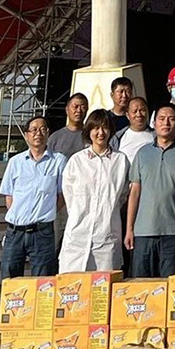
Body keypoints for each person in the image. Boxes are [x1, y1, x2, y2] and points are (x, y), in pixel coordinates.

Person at [125, 104, 175, 278]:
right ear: (154, 123)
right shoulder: (142, 153)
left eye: (172, 119)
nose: (166, 123)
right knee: (142, 285)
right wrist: (129, 229)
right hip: (143, 231)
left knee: (171, 284)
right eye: (162, 119)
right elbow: (134, 193)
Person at [59, 109, 130, 271]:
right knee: (73, 282)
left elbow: (123, 195)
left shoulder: (120, 160)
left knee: (104, 282)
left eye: (105, 128)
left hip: (106, 233)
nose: (100, 132)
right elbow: (69, 194)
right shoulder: (77, 160)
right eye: (96, 128)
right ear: (89, 130)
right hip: (78, 233)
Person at [0, 116, 65, 278]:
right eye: (34, 130)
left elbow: (61, 196)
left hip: (42, 232)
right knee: (10, 280)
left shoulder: (59, 161)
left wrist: (45, 212)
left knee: (43, 283)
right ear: (27, 134)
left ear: (48, 133)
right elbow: (9, 197)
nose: (38, 133)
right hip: (15, 232)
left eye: (42, 129)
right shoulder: (15, 162)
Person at [113, 96, 155, 164]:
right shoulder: (118, 138)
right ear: (127, 115)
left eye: (142, 110)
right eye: (134, 111)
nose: (139, 114)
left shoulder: (156, 136)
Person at [49, 94, 89, 158]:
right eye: (75, 107)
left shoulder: (91, 136)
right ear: (67, 110)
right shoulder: (55, 138)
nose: (79, 110)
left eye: (83, 107)